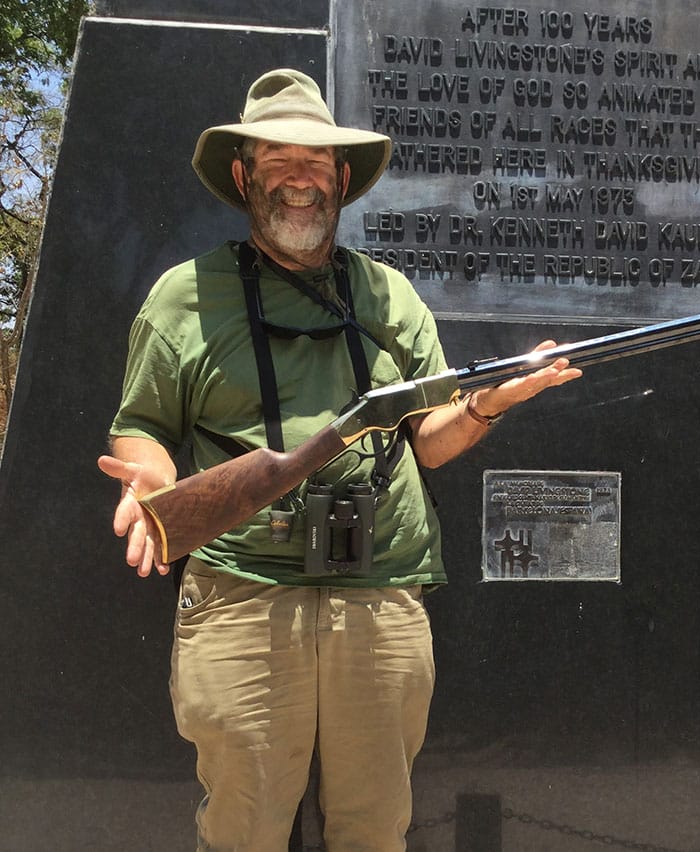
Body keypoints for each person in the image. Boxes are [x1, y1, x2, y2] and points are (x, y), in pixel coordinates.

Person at [97, 68, 581, 851]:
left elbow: (430, 440)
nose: (299, 178)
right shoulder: (183, 297)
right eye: (278, 159)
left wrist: (487, 404)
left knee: (376, 830)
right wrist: (153, 479)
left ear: (342, 179)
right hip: (242, 594)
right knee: (243, 830)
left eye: (316, 161)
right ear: (243, 176)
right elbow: (141, 426)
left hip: (379, 595)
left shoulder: (391, 296)